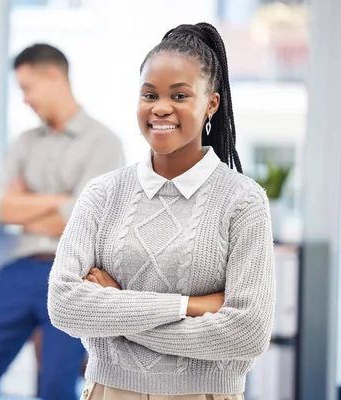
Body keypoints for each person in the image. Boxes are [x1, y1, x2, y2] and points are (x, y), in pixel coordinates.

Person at [48, 22, 275, 400]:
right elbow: (64, 305)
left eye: (180, 95)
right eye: (149, 94)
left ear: (211, 104)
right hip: (108, 391)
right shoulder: (103, 194)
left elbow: (247, 333)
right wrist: (191, 306)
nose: (161, 108)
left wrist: (117, 315)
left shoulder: (243, 201)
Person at [0, 43, 125, 400]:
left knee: (55, 389)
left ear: (54, 76)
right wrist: (61, 203)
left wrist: (23, 206)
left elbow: (87, 223)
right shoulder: (24, 142)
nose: (24, 99)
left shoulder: (103, 143)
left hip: (71, 277)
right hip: (18, 272)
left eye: (27, 87)